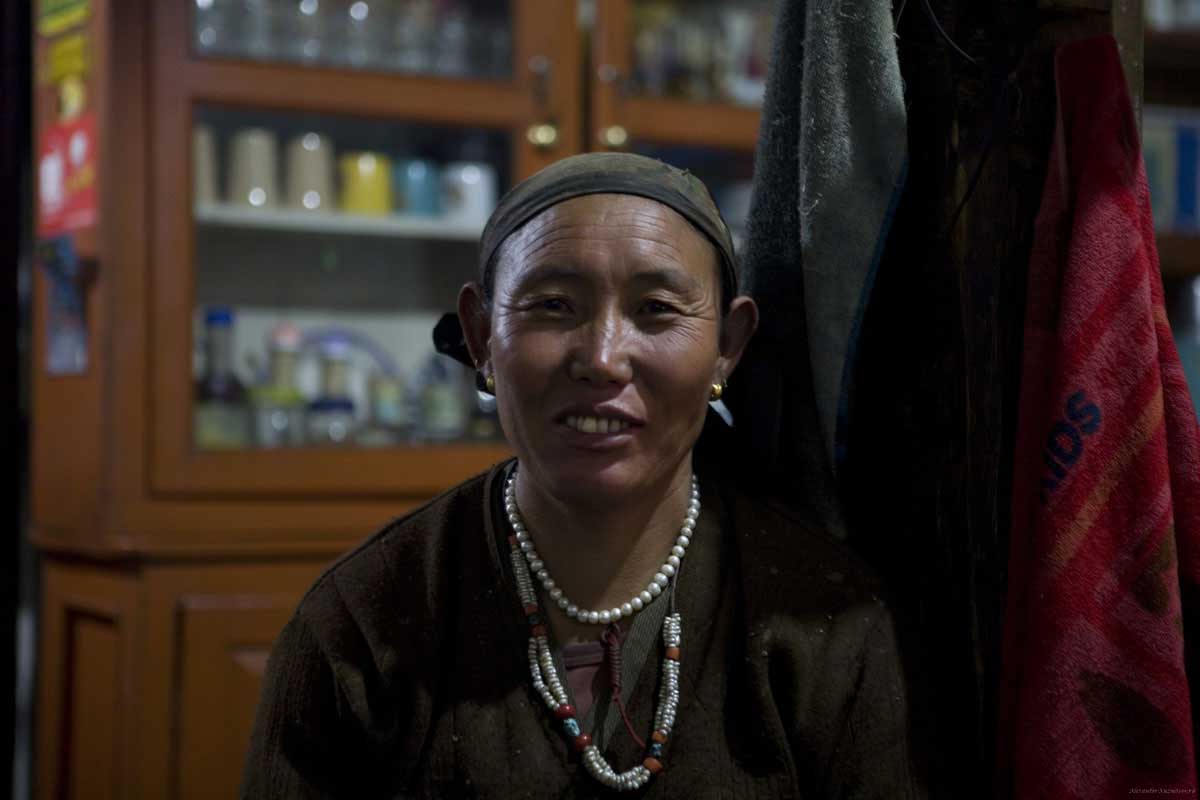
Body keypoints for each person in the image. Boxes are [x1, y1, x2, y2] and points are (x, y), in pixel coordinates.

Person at [241, 153, 923, 798]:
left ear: (727, 346)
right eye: (552, 305)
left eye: (656, 309)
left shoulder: (826, 622)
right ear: (481, 337)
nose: (602, 358)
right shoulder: (366, 623)